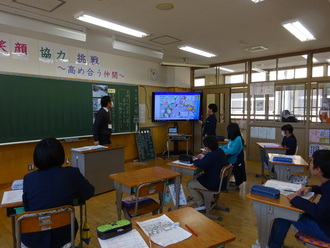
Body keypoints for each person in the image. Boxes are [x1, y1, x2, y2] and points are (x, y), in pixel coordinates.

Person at [22, 137, 95, 248]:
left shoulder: (28, 178)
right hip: (63, 236)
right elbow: (89, 192)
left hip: (33, 238)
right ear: (61, 155)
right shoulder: (71, 173)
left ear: (37, 157)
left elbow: (27, 207)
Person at [268, 149, 330, 248]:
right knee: (287, 213)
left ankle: (273, 246)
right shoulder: (327, 183)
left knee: (284, 214)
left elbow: (318, 213)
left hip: (326, 230)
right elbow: (324, 189)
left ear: (318, 169)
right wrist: (311, 188)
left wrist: (296, 199)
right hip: (325, 223)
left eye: (311, 162)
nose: (309, 164)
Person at [186, 135, 227, 211]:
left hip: (213, 183)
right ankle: (204, 199)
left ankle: (201, 204)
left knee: (189, 184)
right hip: (222, 181)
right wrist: (205, 155)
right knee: (198, 176)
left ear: (207, 147)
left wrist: (195, 159)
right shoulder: (220, 151)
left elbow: (198, 164)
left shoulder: (210, 156)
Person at [220, 123, 246, 187]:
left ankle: (222, 183)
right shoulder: (232, 139)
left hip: (233, 160)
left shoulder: (238, 139)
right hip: (230, 159)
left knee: (218, 164)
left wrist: (221, 150)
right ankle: (223, 181)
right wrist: (219, 148)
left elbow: (232, 151)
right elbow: (227, 146)